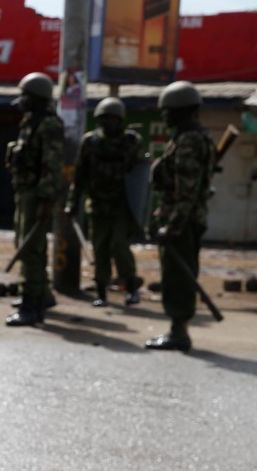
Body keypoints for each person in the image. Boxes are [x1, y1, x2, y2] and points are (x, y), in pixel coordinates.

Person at [145, 80, 216, 352]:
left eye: (168, 110)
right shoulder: (198, 138)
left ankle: (179, 332)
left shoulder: (188, 141)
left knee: (177, 276)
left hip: (182, 222)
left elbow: (186, 191)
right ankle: (178, 328)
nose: (164, 116)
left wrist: (172, 226)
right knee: (181, 274)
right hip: (190, 219)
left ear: (182, 111)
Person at [64, 97, 144, 307]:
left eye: (112, 119)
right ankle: (101, 292)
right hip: (98, 205)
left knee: (119, 245)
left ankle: (131, 287)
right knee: (99, 249)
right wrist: (72, 202)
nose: (108, 123)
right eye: (104, 119)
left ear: (120, 120)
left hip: (121, 205)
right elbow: (79, 175)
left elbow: (141, 174)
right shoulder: (90, 142)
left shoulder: (131, 142)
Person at [4, 72, 64, 326]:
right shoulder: (31, 121)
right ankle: (40, 295)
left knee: (30, 249)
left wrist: (46, 200)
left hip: (37, 195)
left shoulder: (49, 124)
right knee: (26, 243)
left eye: (26, 95)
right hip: (25, 191)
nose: (22, 100)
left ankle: (31, 306)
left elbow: (52, 165)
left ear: (37, 98)